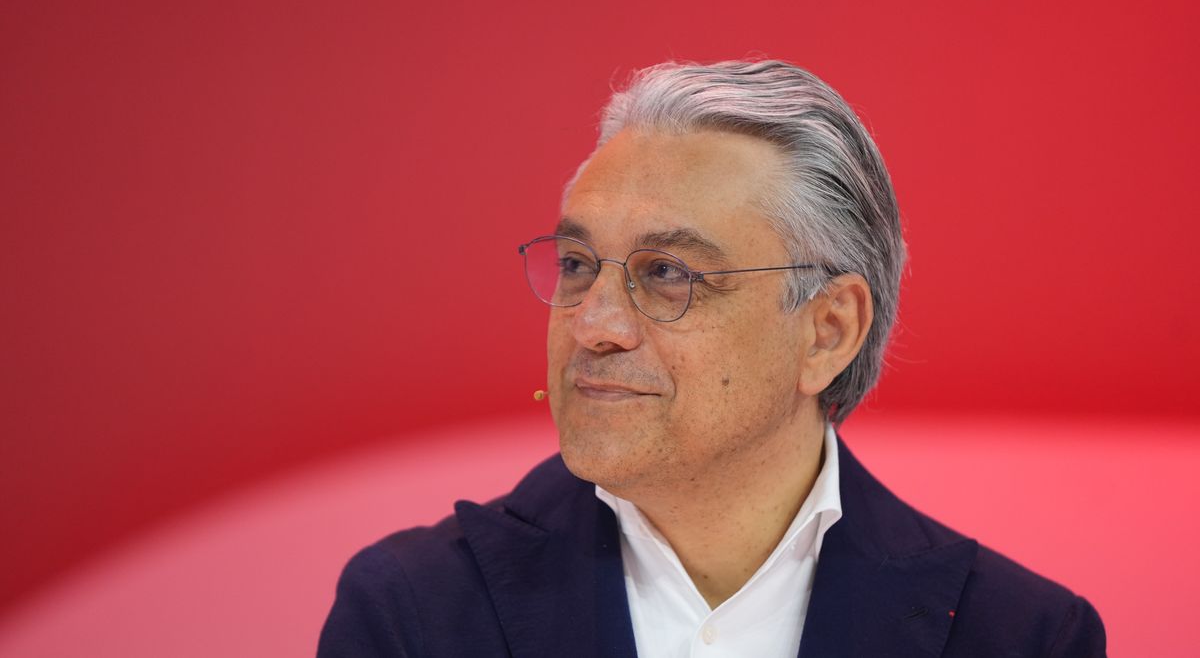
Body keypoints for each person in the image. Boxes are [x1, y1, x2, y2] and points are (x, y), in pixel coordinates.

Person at [317, 60, 1106, 657]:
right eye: (578, 263)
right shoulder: (412, 613)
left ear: (827, 330)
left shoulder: (1022, 636)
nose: (593, 323)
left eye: (667, 274)